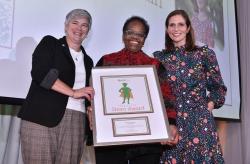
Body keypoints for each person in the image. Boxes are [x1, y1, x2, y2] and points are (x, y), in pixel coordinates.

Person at [91, 16, 179, 164]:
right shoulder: (106, 61)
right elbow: (94, 95)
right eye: (130, 32)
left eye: (140, 34)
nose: (135, 37)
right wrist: (92, 112)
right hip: (111, 140)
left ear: (145, 39)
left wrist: (170, 123)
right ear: (123, 35)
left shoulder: (155, 65)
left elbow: (167, 98)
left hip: (146, 142)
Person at [18, 9, 94, 164]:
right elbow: (41, 73)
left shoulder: (89, 61)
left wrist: (91, 110)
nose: (79, 28)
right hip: (41, 117)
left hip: (77, 122)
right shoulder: (50, 44)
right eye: (75, 23)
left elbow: (88, 94)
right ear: (66, 26)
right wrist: (73, 92)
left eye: (84, 25)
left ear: (88, 31)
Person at [153, 10, 227, 163]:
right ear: (167, 30)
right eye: (171, 25)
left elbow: (218, 88)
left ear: (188, 28)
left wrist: (209, 106)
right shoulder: (159, 58)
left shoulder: (204, 54)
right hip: (172, 124)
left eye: (180, 24)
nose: (176, 29)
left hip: (200, 124)